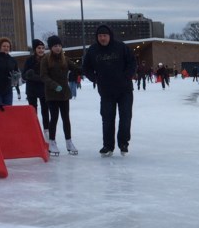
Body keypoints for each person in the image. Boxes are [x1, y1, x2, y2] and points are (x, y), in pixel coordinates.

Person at [82, 24, 136, 156]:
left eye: (105, 35)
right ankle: (108, 146)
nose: (102, 38)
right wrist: (95, 78)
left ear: (110, 36)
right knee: (107, 119)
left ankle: (123, 143)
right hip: (106, 91)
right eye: (100, 36)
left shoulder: (121, 47)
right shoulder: (93, 50)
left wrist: (126, 76)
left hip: (124, 90)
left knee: (125, 117)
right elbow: (86, 67)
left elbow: (132, 63)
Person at [41, 36, 81, 155]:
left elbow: (76, 69)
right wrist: (54, 85)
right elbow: (43, 76)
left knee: (66, 118)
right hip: (52, 94)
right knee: (54, 118)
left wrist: (88, 69)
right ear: (51, 47)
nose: (57, 48)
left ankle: (68, 141)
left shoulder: (65, 59)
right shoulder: (46, 59)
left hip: (64, 94)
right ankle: (52, 142)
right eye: (55, 46)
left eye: (59, 45)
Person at [22, 39, 50, 138]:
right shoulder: (29, 60)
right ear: (35, 49)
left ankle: (46, 130)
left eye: (43, 48)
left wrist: (36, 77)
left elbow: (48, 76)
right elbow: (24, 75)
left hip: (44, 89)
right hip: (32, 90)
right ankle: (34, 129)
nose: (41, 50)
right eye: (39, 48)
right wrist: (29, 75)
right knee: (33, 111)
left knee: (45, 110)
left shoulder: (47, 59)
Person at [0, 37, 19, 106]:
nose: (6, 48)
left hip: (8, 90)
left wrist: (15, 78)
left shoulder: (12, 60)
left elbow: (16, 72)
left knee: (8, 111)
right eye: (4, 46)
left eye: (8, 46)